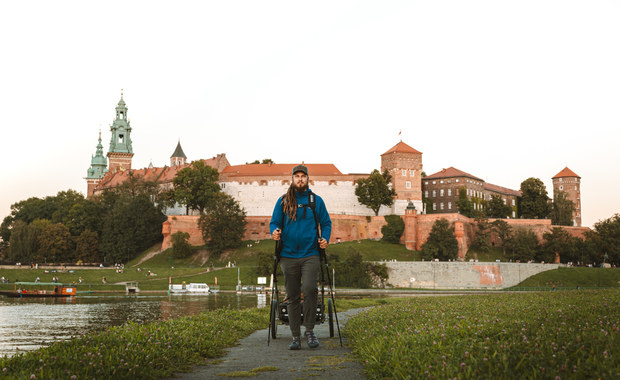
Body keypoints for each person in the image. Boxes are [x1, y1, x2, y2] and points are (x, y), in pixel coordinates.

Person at [270, 164, 331, 350]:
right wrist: (275, 232)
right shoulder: (283, 201)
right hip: (288, 255)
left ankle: (310, 331)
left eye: (302, 176)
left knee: (310, 288)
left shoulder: (316, 201)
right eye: (296, 176)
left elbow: (326, 223)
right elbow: (274, 222)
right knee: (293, 296)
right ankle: (296, 336)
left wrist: (324, 239)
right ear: (292, 179)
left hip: (310, 253)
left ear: (307, 179)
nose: (300, 179)